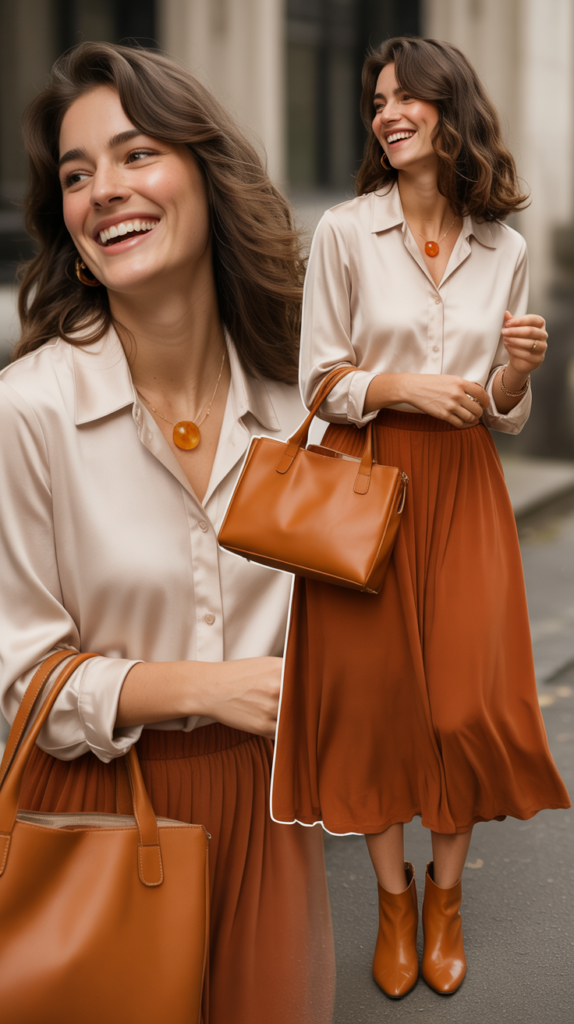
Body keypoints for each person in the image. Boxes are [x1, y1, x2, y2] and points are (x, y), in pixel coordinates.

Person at [0, 42, 334, 1024]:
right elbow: (17, 686)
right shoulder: (29, 413)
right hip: (93, 809)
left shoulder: (302, 406)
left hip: (271, 820)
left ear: (205, 172)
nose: (103, 189)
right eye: (75, 173)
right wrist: (207, 688)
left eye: (135, 154)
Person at [271, 36, 570, 1000]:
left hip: (468, 489)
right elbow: (316, 381)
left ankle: (446, 897)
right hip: (368, 489)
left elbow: (500, 404)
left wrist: (514, 375)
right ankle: (395, 903)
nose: (389, 112)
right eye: (378, 99)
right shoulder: (346, 233)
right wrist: (398, 387)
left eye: (409, 96)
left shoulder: (507, 245)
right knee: (377, 706)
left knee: (464, 705)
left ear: (452, 110)